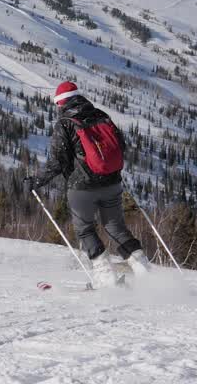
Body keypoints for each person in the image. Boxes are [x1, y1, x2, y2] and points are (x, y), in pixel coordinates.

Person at [26, 81, 153, 286]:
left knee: (85, 229)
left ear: (61, 103)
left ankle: (106, 278)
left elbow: (57, 161)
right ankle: (144, 271)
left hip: (82, 187)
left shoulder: (65, 123)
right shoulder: (101, 115)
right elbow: (120, 146)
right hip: (112, 182)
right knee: (116, 227)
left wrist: (36, 181)